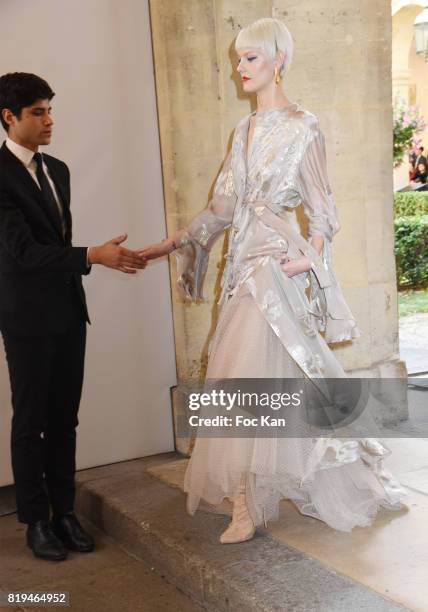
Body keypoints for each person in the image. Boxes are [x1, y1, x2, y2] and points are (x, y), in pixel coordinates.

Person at [139, 18, 407, 543]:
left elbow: (322, 209)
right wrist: (174, 242)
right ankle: (246, 498)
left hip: (277, 266)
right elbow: (223, 206)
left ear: (278, 59)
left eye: (251, 58)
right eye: (238, 60)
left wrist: (313, 259)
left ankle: (257, 499)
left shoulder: (304, 126)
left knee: (268, 377)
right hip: (242, 264)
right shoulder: (243, 130)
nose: (240, 68)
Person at [0, 72, 145, 561]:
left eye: (50, 110)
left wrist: (92, 256)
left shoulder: (57, 169)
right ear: (9, 117)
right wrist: (92, 256)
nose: (49, 120)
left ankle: (65, 512)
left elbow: (56, 244)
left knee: (65, 420)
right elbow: (21, 252)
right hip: (25, 318)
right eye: (38, 112)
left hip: (68, 312)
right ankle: (36, 521)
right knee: (30, 422)